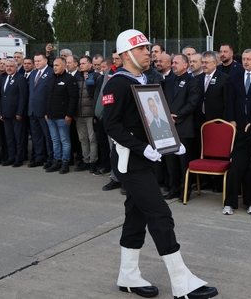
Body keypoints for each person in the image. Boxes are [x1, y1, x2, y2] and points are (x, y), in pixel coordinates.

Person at [102, 29, 217, 299]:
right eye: (141, 49)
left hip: (150, 160)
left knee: (136, 215)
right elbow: (111, 125)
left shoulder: (146, 79)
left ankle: (128, 275)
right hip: (132, 163)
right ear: (127, 54)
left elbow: (155, 116)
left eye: (147, 48)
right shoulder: (117, 83)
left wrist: (172, 142)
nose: (148, 53)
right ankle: (181, 281)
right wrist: (142, 147)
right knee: (160, 214)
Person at [162, 54, 201, 200]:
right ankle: (173, 189)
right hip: (168, 126)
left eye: (176, 63)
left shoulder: (193, 82)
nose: (173, 65)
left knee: (184, 162)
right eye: (172, 63)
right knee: (170, 161)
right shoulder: (169, 81)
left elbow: (192, 104)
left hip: (183, 127)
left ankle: (185, 191)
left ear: (185, 65)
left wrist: (176, 117)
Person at [45, 58, 78, 174]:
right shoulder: (51, 79)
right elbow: (48, 97)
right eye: (54, 65)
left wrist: (69, 114)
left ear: (64, 66)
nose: (54, 67)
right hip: (51, 116)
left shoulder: (70, 80)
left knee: (64, 140)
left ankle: (65, 162)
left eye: (57, 65)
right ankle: (56, 161)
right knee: (55, 140)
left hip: (63, 117)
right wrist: (46, 113)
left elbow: (73, 99)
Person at [0, 58, 29, 167]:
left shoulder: (20, 79)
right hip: (6, 113)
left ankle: (19, 158)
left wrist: (20, 112)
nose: (9, 68)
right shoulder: (5, 78)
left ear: (16, 67)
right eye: (7, 66)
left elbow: (22, 97)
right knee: (9, 137)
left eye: (11, 66)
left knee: (19, 137)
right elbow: (2, 96)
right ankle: (11, 157)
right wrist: (0, 111)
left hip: (16, 114)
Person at [27, 53, 53, 168]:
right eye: (35, 61)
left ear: (46, 61)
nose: (36, 63)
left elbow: (50, 94)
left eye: (39, 61)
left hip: (44, 111)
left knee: (48, 136)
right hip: (33, 110)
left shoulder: (51, 73)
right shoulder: (33, 74)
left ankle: (50, 158)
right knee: (36, 136)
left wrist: (48, 110)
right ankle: (39, 157)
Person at [74, 56, 99, 172]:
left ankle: (93, 162)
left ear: (90, 65)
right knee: (82, 139)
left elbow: (94, 95)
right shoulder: (77, 77)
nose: (81, 65)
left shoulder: (95, 76)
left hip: (90, 113)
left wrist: (89, 82)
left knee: (92, 139)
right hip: (79, 114)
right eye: (80, 63)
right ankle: (86, 160)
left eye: (84, 63)